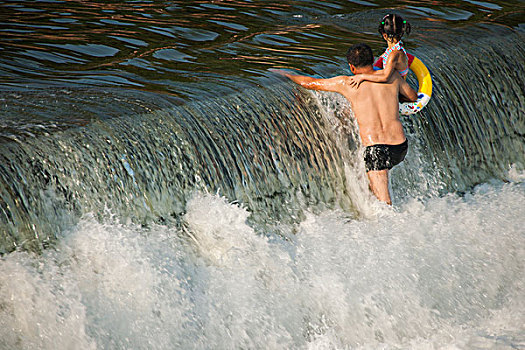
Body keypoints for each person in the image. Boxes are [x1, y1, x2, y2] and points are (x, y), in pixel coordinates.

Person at [276, 43, 417, 205]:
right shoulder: (392, 77)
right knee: (372, 184)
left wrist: (286, 74)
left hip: (376, 149)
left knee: (384, 204)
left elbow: (310, 83)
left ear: (352, 67)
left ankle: (394, 227)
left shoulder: (347, 83)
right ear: (373, 60)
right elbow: (412, 97)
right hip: (400, 146)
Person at [348, 14, 412, 88]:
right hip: (393, 82)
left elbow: (385, 77)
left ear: (385, 36)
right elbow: (386, 56)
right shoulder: (397, 47)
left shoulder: (394, 54)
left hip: (398, 89)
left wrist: (363, 76)